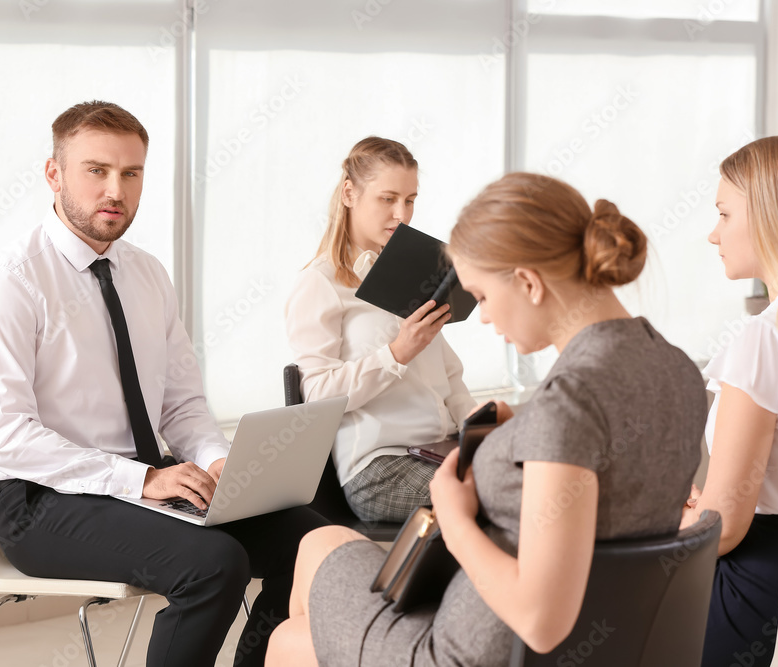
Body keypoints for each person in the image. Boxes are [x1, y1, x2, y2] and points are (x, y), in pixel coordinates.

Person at [265, 172, 708, 667]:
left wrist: (453, 516)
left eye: (482, 296)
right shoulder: (676, 370)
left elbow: (540, 619)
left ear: (528, 282)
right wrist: (521, 428)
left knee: (290, 639)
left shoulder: (568, 404)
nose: (486, 318)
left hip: (472, 646)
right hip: (598, 639)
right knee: (321, 541)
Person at [0, 100, 327, 667]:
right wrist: (143, 479)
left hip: (146, 484)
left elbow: (180, 405)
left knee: (313, 545)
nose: (116, 190)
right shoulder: (10, 281)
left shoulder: (147, 274)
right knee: (214, 563)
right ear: (54, 174)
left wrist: (217, 462)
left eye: (131, 173)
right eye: (96, 170)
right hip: (43, 501)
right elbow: (10, 438)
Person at [285, 136, 477, 522]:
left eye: (410, 200)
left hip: (438, 451)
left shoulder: (413, 272)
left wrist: (483, 431)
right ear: (349, 193)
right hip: (379, 470)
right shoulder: (320, 283)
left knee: (532, 480)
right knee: (507, 497)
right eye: (387, 199)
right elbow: (316, 398)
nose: (402, 215)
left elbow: (450, 379)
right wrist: (396, 353)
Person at [681, 135, 778, 666]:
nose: (714, 234)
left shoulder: (764, 339)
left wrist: (668, 517)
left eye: (724, 214)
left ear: (773, 217)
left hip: (757, 586)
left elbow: (725, 529)